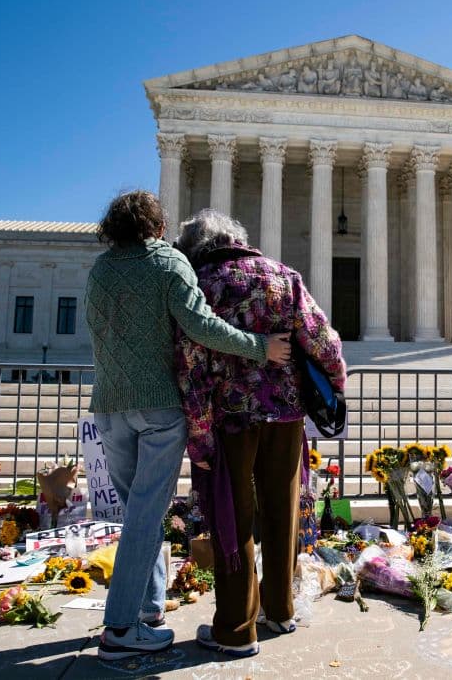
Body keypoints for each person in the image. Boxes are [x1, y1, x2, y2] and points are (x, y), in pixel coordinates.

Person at [85, 191, 290, 661]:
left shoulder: (100, 269)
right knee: (145, 515)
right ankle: (120, 629)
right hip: (157, 407)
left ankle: (149, 608)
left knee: (139, 513)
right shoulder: (168, 261)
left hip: (109, 406)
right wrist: (260, 347)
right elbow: (201, 327)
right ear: (158, 226)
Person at [175, 209, 345, 658]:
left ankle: (236, 630)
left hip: (228, 417)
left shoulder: (200, 284)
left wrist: (198, 435)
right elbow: (323, 340)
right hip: (285, 414)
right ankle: (281, 610)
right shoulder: (282, 276)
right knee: (282, 511)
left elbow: (190, 366)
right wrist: (335, 383)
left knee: (232, 518)